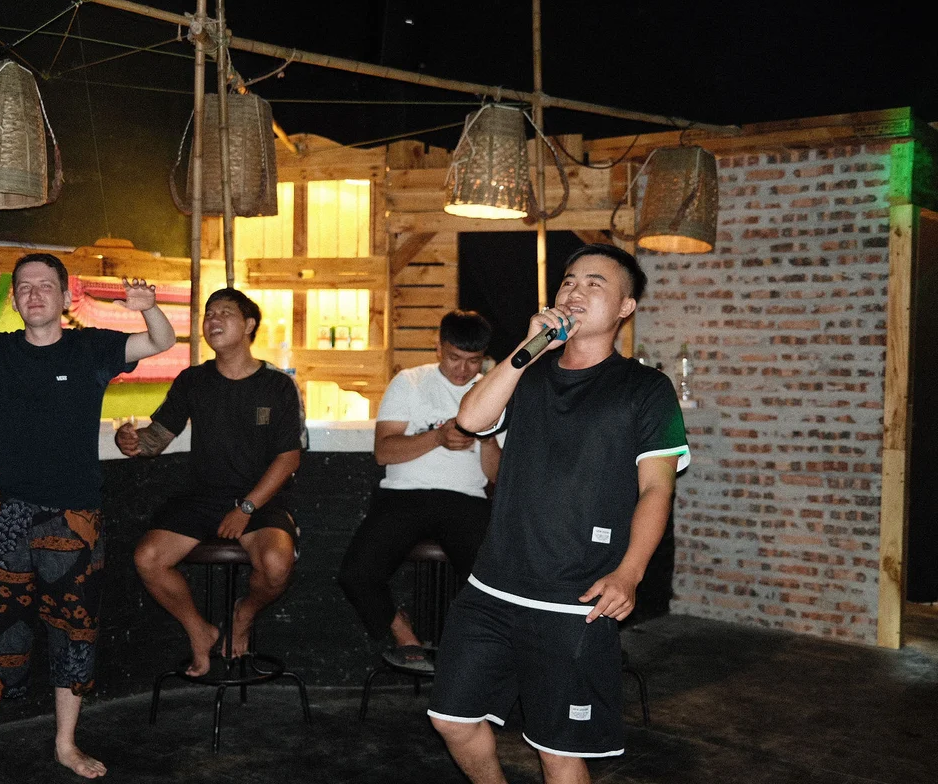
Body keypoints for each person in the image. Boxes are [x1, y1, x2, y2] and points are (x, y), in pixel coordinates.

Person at [0, 254, 176, 784]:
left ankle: (66, 745)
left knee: (75, 632)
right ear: (17, 298)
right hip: (8, 514)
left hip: (76, 517)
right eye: (25, 286)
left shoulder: (91, 347)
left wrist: (150, 310)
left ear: (66, 298)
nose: (35, 293)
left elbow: (160, 342)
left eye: (46, 285)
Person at [427, 244, 690, 784]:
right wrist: (527, 348)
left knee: (557, 750)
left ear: (625, 307)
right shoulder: (529, 373)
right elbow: (472, 418)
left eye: (595, 283)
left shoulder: (645, 389)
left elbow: (656, 491)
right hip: (493, 588)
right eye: (569, 281)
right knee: (450, 718)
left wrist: (630, 571)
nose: (575, 290)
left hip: (574, 600)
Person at [115, 287, 304, 677]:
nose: (213, 320)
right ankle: (199, 631)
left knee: (276, 564)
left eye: (225, 313)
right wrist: (131, 442)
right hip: (202, 498)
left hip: (260, 501)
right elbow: (155, 439)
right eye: (208, 314)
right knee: (147, 558)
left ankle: (244, 614)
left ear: (250, 325)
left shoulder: (278, 386)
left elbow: (289, 457)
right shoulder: (193, 381)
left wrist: (247, 507)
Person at [337, 310, 500, 673]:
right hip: (404, 494)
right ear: (438, 346)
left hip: (466, 498)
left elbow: (497, 476)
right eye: (454, 358)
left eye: (473, 362)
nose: (462, 370)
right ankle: (404, 636)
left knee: (491, 580)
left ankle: (470, 659)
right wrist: (438, 437)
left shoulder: (493, 388)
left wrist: (485, 435)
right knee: (356, 573)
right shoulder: (410, 381)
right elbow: (384, 451)